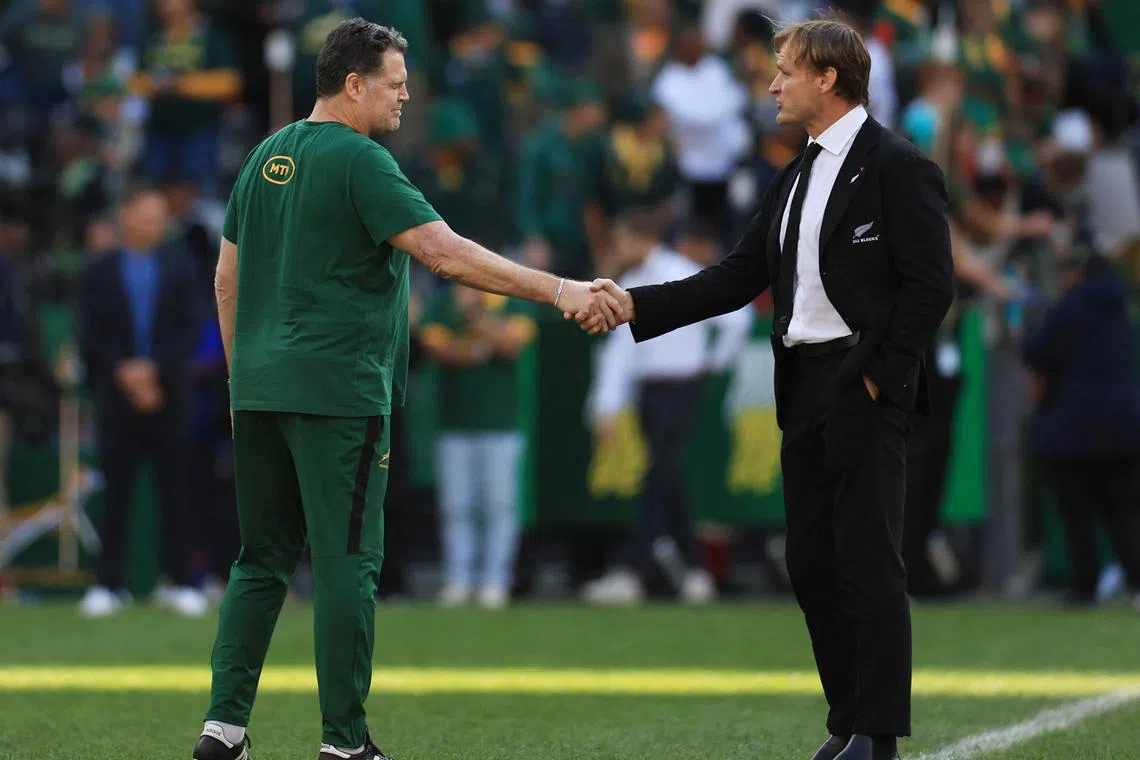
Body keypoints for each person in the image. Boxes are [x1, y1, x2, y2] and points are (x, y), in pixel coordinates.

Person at [193, 19, 619, 760]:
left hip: (258, 391)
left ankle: (222, 728)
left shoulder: (263, 156)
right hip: (337, 390)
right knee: (347, 564)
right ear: (353, 83)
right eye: (395, 83)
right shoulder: (362, 161)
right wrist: (560, 289)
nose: (406, 96)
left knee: (258, 560)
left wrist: (244, 377)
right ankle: (345, 742)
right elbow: (444, 256)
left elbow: (227, 279)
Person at [589, 18, 953, 760]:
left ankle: (877, 736)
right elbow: (735, 275)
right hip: (804, 387)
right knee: (811, 562)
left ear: (829, 77)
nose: (772, 83)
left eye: (785, 69)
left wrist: (882, 377)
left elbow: (930, 287)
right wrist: (634, 302)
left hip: (862, 382)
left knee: (868, 560)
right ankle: (847, 719)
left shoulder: (898, 166)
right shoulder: (793, 175)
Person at [582, 210, 751, 605]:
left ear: (640, 239)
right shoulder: (634, 281)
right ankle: (693, 571)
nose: (618, 250)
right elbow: (621, 351)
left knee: (659, 474)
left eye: (622, 241)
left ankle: (631, 569)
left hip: (681, 387)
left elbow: (738, 318)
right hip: (649, 391)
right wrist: (608, 406)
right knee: (666, 476)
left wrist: (713, 362)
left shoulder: (679, 270)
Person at [76, 185, 206, 619]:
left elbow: (190, 328)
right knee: (117, 493)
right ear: (126, 216)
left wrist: (154, 372)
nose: (156, 224)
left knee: (177, 491)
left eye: (160, 216)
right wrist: (125, 371)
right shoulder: (99, 270)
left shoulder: (181, 267)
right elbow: (90, 331)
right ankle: (109, 584)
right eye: (147, 215)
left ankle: (183, 581)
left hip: (168, 396)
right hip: (116, 397)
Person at [1023, 245, 1140, 608]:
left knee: (1076, 514)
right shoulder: (1120, 308)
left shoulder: (1067, 310)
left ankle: (1085, 587)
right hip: (1124, 428)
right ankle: (1136, 582)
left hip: (1071, 430)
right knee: (1125, 512)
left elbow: (1035, 353)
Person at [418, 284, 536, 609]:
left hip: (501, 425)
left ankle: (495, 581)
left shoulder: (512, 303)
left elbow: (512, 345)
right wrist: (481, 349)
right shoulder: (442, 305)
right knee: (457, 507)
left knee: (499, 507)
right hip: (453, 425)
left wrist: (477, 318)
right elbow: (437, 350)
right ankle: (459, 580)